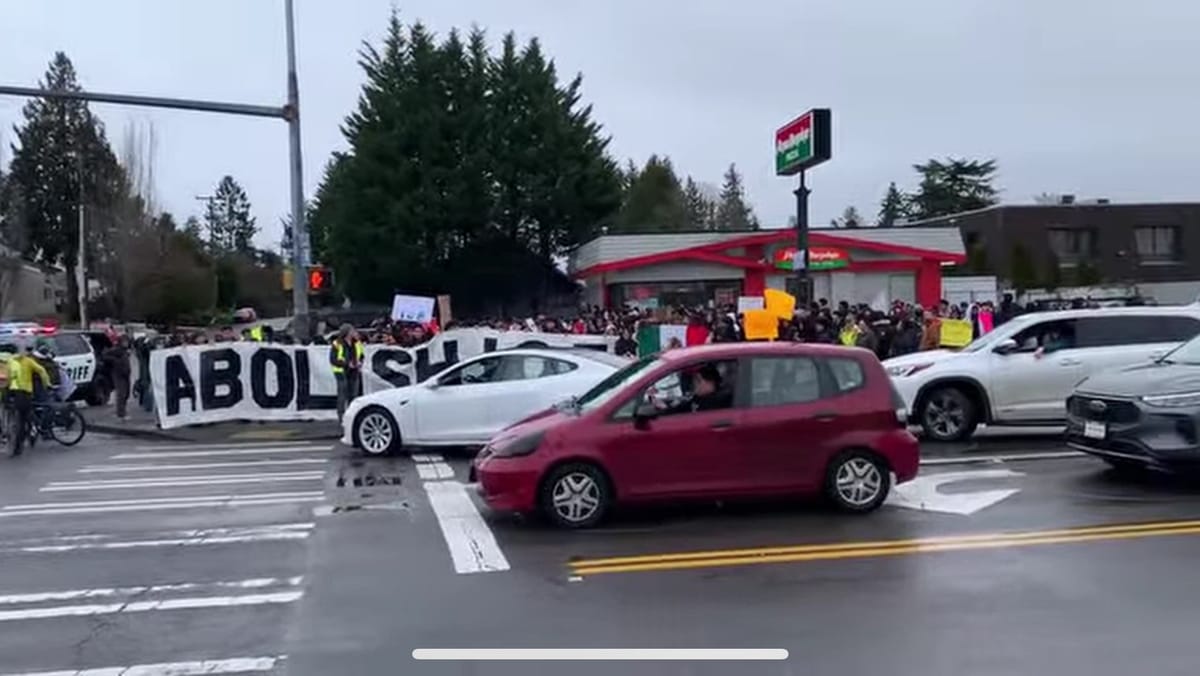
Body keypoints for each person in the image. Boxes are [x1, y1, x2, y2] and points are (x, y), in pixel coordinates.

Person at [6, 345, 51, 457]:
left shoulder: (10, 362)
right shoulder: (28, 361)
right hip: (25, 393)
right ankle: (28, 435)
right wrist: (47, 384)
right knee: (23, 419)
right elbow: (41, 370)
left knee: (20, 420)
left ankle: (19, 445)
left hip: (14, 393)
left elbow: (8, 377)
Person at [330, 324, 365, 422]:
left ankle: (352, 416)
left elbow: (361, 355)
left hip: (354, 371)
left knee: (354, 395)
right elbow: (333, 359)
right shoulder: (337, 343)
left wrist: (360, 362)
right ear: (347, 333)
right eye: (353, 331)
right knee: (342, 394)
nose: (355, 333)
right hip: (341, 372)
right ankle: (341, 416)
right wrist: (346, 364)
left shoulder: (357, 343)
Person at [103, 336, 133, 420]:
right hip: (118, 374)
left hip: (126, 374)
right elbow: (105, 355)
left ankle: (123, 411)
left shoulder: (125, 351)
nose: (126, 343)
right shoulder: (116, 350)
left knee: (126, 393)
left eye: (127, 342)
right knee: (121, 394)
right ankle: (121, 413)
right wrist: (115, 361)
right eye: (124, 342)